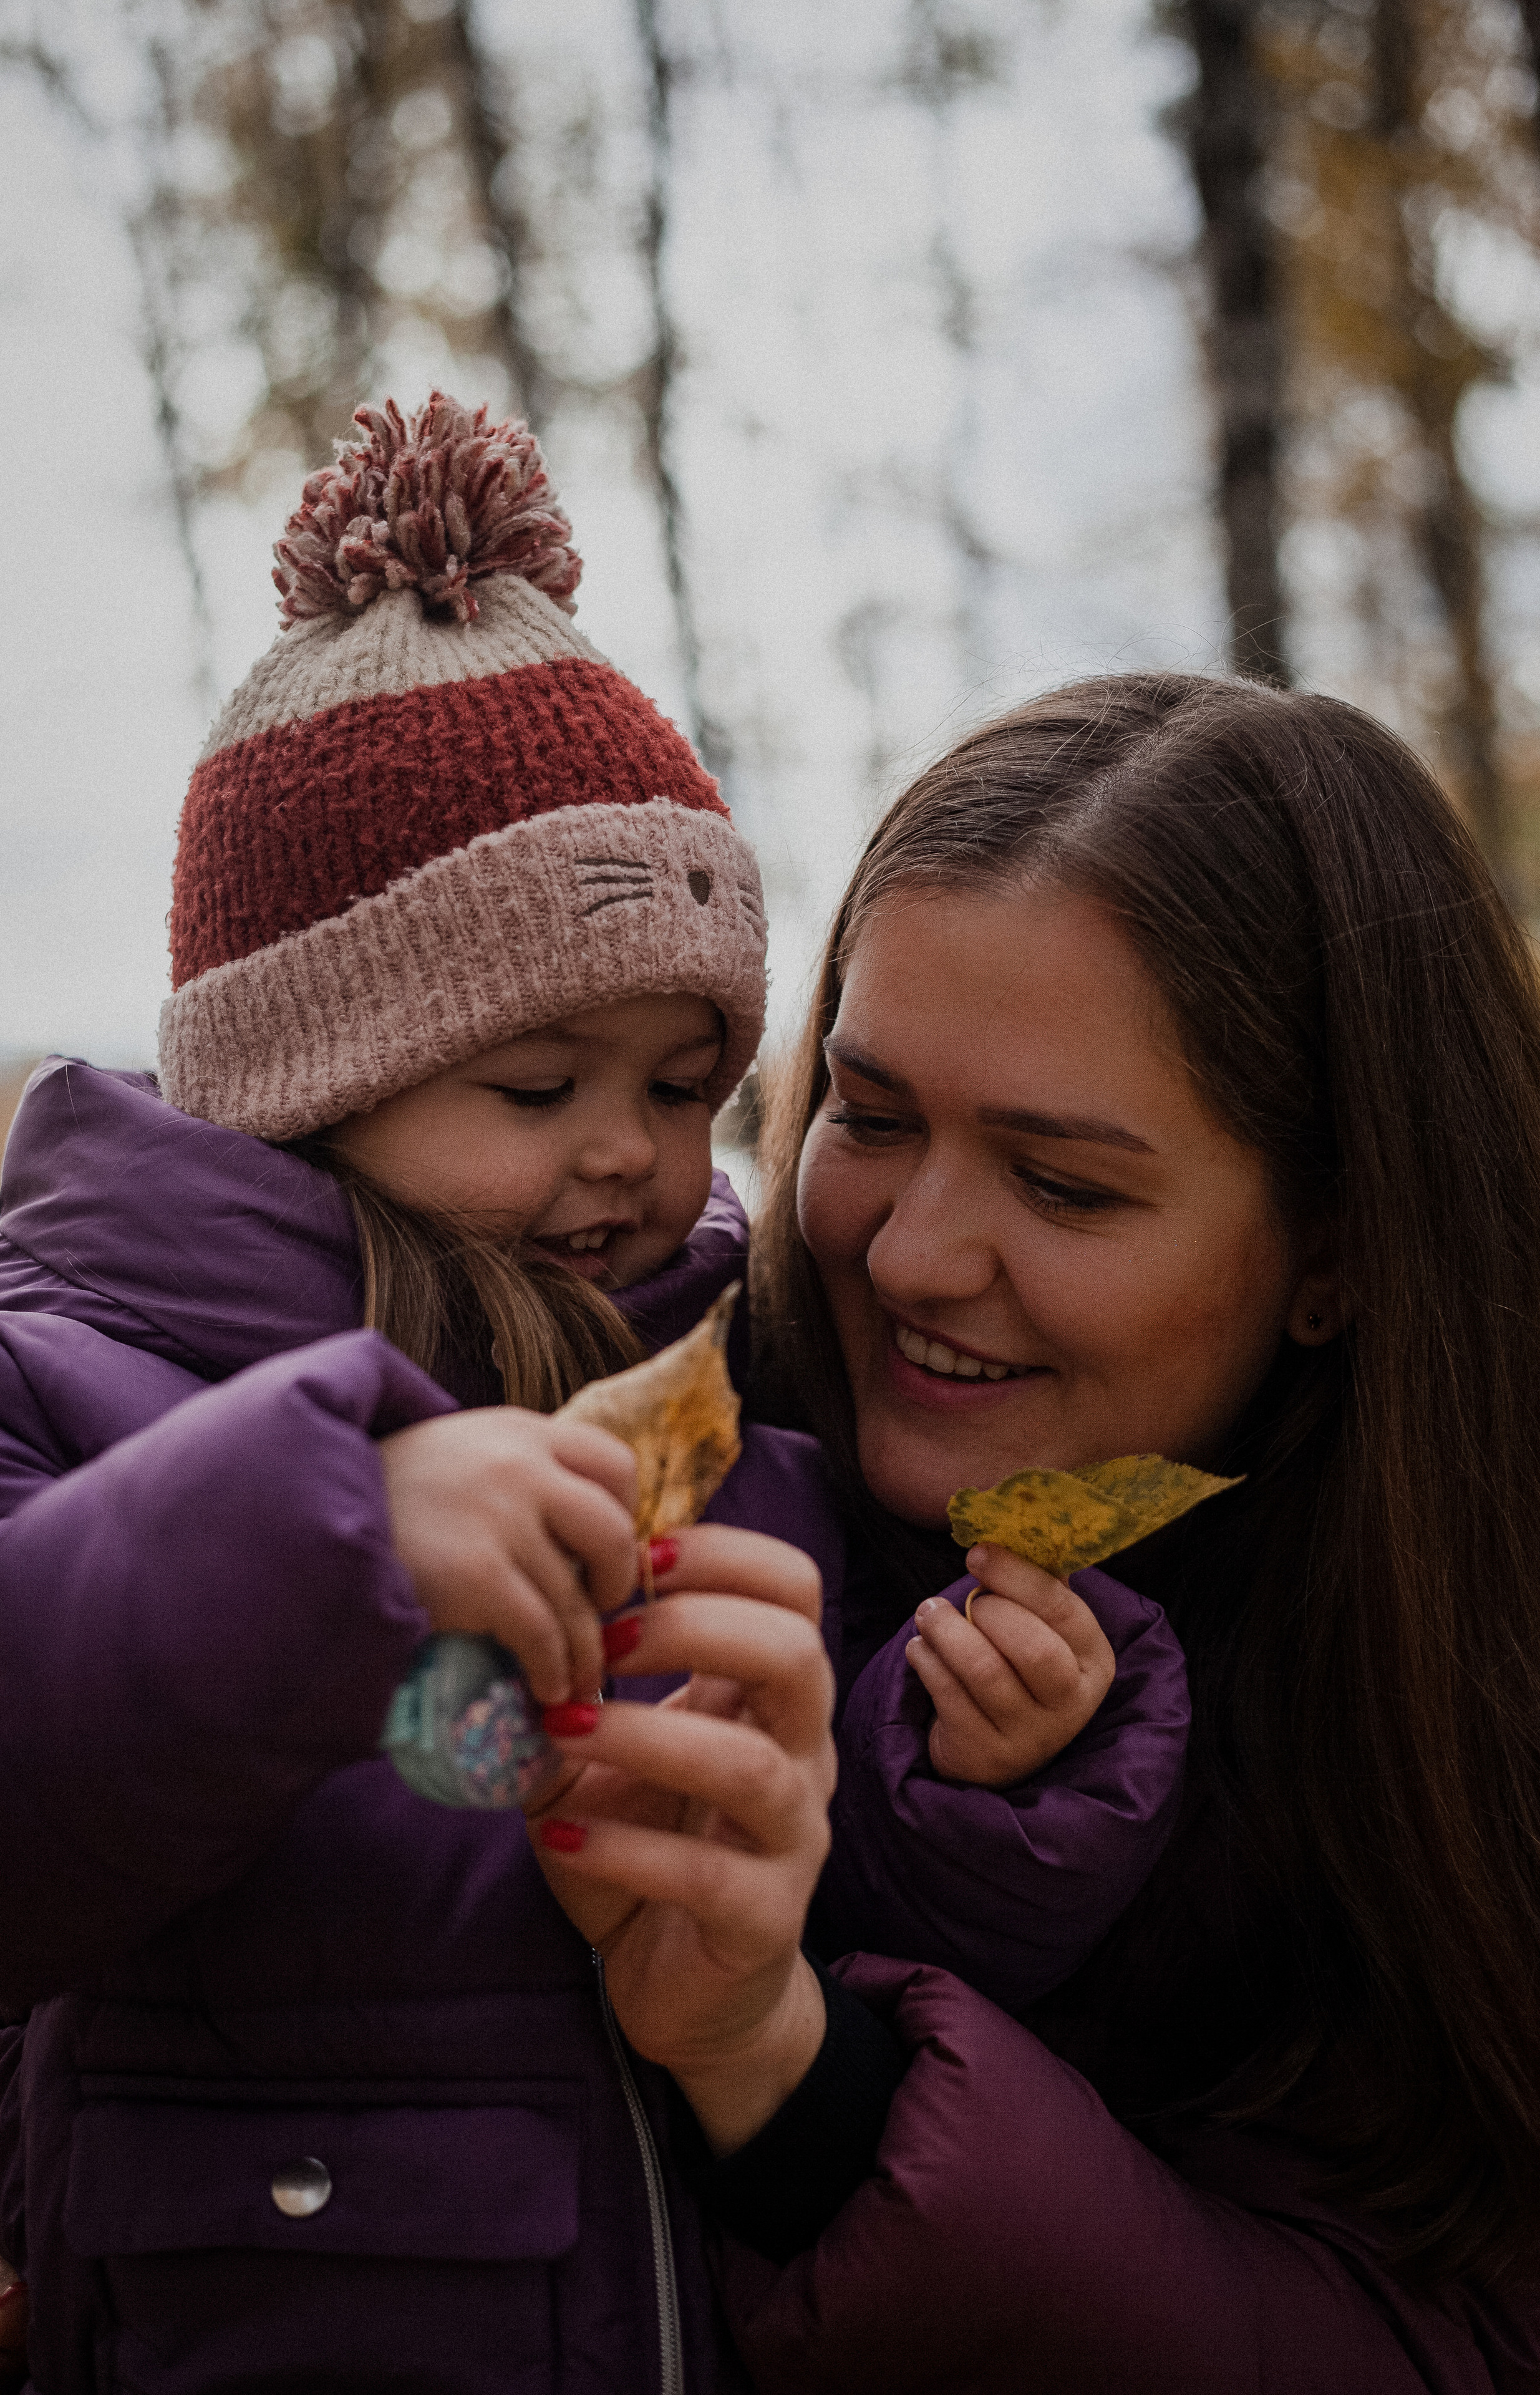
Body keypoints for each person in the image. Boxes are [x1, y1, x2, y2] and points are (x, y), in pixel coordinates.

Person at [0, 400, 1183, 2394]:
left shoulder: (724, 1418)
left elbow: (819, 1926)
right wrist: (332, 1534)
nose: (635, 1158)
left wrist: (962, 1780)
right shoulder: (82, 1380)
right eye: (538, 1089)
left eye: (679, 1084)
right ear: (306, 1087)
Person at [535, 673, 1540, 2393]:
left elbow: (1437, 2340)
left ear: (1338, 1252)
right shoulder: (622, 1439)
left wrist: (795, 2082)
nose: (908, 1257)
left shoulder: (1495, 1721)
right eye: (869, 1118)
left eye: (1065, 1185)